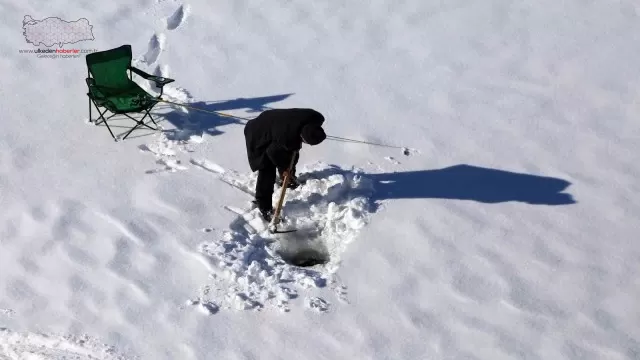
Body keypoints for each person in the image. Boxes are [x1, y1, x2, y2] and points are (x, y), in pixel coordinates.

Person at [243, 108, 326, 221]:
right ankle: (264, 206)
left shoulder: (316, 118)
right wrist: (285, 169)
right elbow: (273, 153)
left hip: (272, 123)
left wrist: (288, 171)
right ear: (301, 136)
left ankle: (289, 179)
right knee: (267, 169)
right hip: (257, 133)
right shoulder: (286, 135)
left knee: (290, 152)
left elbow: (294, 150)